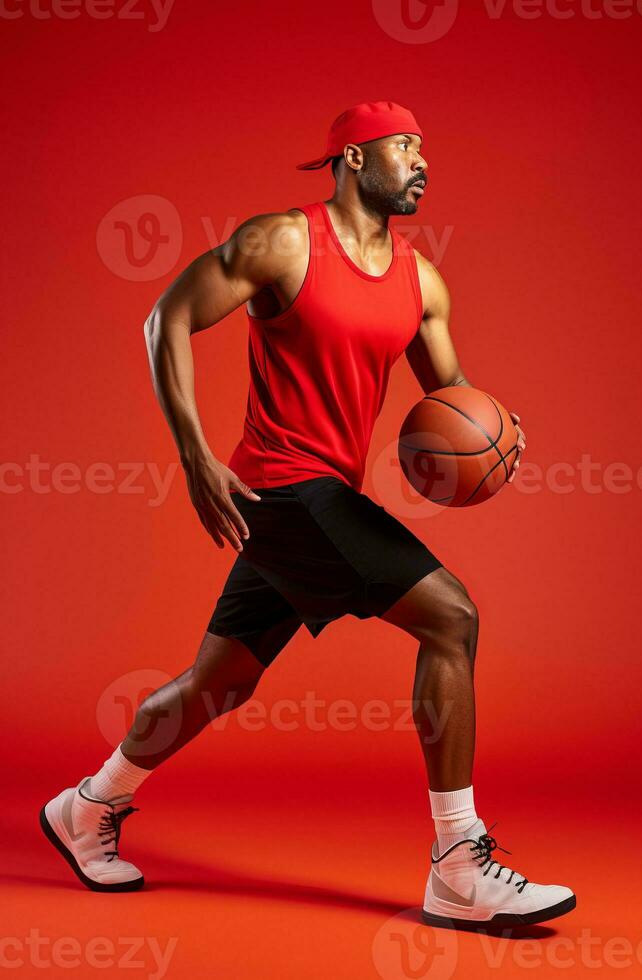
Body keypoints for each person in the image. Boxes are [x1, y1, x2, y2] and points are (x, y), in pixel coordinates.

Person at [40, 101, 575, 928]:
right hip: (285, 487)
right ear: (354, 158)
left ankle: (84, 805)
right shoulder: (283, 241)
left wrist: (498, 434)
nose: (422, 160)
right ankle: (457, 863)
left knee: (219, 684)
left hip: (317, 499)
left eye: (424, 147)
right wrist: (191, 454)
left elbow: (453, 404)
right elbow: (167, 317)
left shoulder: (422, 279)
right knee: (452, 619)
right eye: (404, 146)